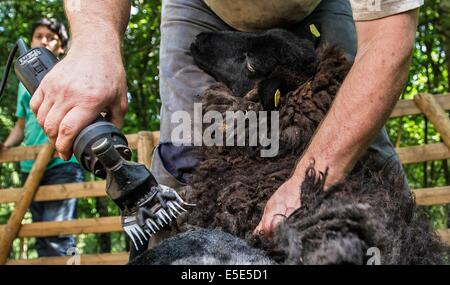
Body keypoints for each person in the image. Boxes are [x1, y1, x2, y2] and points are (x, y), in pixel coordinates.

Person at [29, 0, 422, 239]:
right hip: (201, 8)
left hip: (318, 5)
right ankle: (170, 250)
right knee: (186, 149)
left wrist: (313, 177)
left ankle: (399, 249)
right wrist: (95, 43)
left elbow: (387, 45)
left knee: (359, 144)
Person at [0, 18, 84, 257]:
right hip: (30, 165)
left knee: (58, 234)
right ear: (30, 41)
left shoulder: (70, 72)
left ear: (61, 47)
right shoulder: (22, 82)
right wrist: (5, 146)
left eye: (51, 37)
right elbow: (21, 124)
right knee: (39, 236)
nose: (44, 40)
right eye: (38, 36)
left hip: (62, 161)